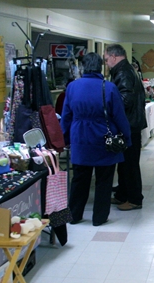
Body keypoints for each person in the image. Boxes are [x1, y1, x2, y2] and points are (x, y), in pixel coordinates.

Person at [60, 52, 131, 226]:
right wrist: (127, 138)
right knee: (104, 181)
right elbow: (119, 117)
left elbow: (66, 116)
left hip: (80, 137)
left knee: (79, 179)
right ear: (100, 67)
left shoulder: (72, 87)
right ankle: (99, 218)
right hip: (103, 138)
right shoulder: (109, 88)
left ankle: (74, 215)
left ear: (83, 67)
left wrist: (65, 138)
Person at [106, 44, 147, 211]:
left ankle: (135, 199)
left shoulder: (123, 72)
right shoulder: (127, 70)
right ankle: (122, 194)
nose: (107, 63)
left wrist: (107, 107)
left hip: (129, 125)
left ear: (114, 57)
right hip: (130, 123)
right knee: (124, 164)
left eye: (107, 59)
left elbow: (125, 99)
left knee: (129, 165)